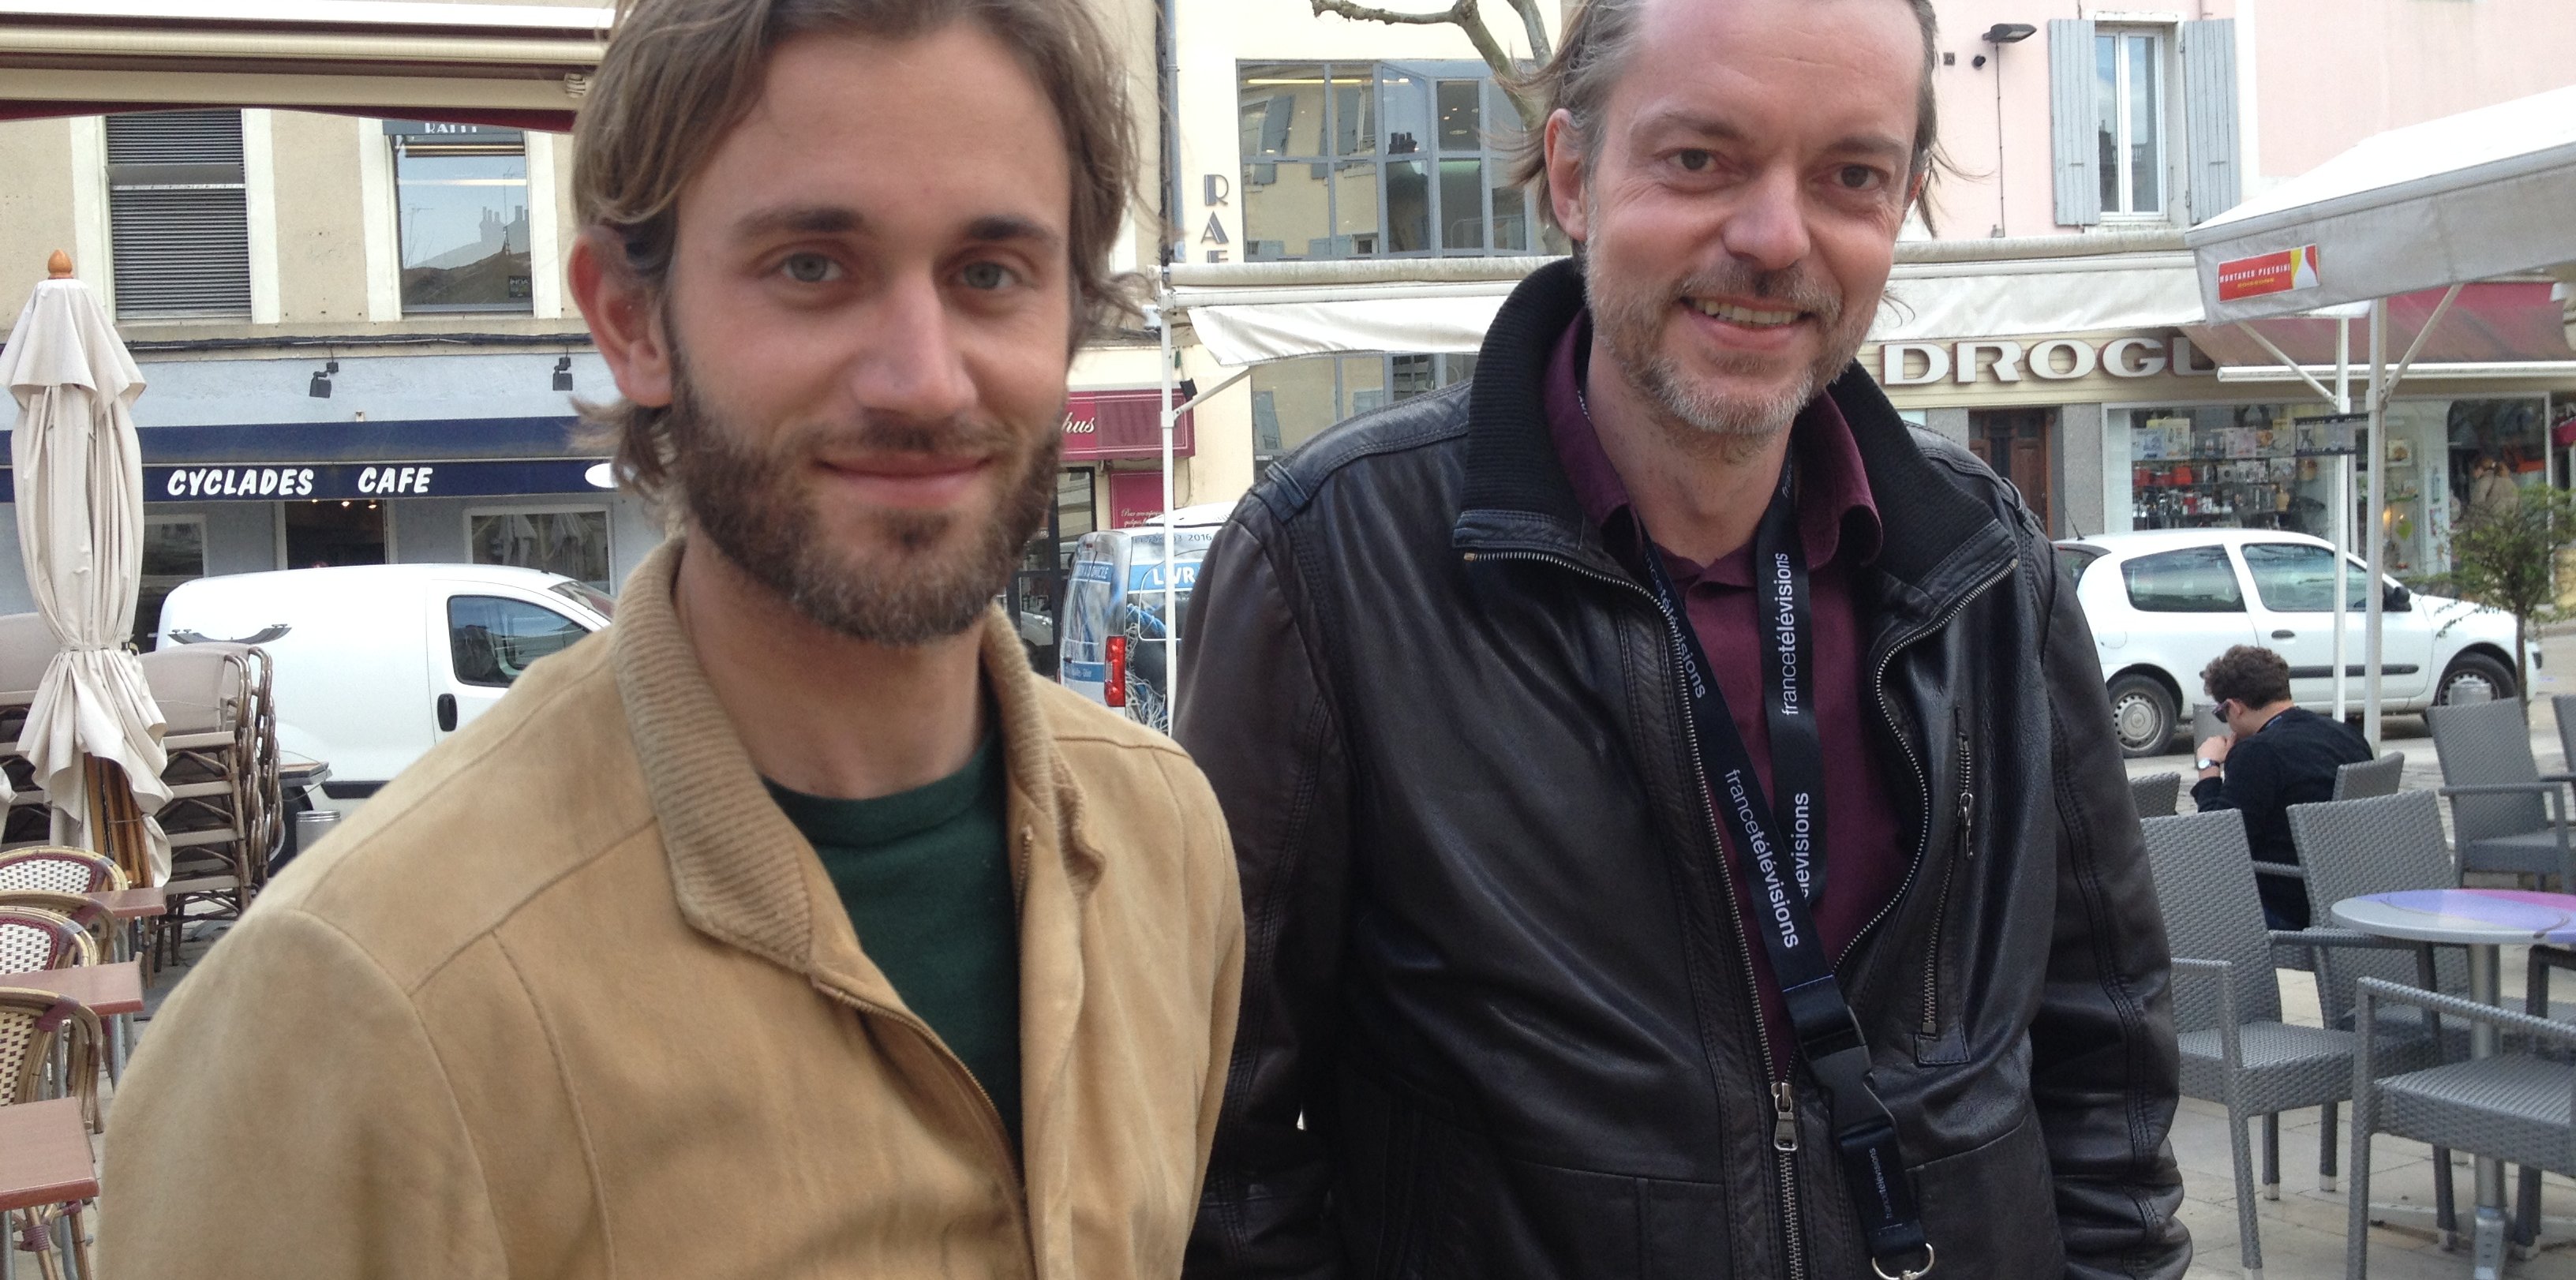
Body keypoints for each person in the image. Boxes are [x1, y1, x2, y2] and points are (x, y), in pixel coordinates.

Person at [101, 2, 1242, 1274]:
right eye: (812, 265)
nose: (923, 378)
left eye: (989, 273)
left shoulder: (1167, 841)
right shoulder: (349, 1002)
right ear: (632, 321)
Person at [1174, 0, 2188, 1276]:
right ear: (1571, 177)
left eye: (1850, 175)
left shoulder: (1985, 561)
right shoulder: (1332, 563)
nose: (1774, 238)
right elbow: (1223, 1149)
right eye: (1700, 158)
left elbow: (2106, 1057)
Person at [2193, 645, 2372, 930]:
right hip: (2352, 893)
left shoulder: (2259, 753)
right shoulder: (2346, 735)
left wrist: (2209, 767)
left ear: (2235, 707)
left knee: (2172, 901)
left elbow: (2218, 845)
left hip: (2287, 906)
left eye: (2221, 713)